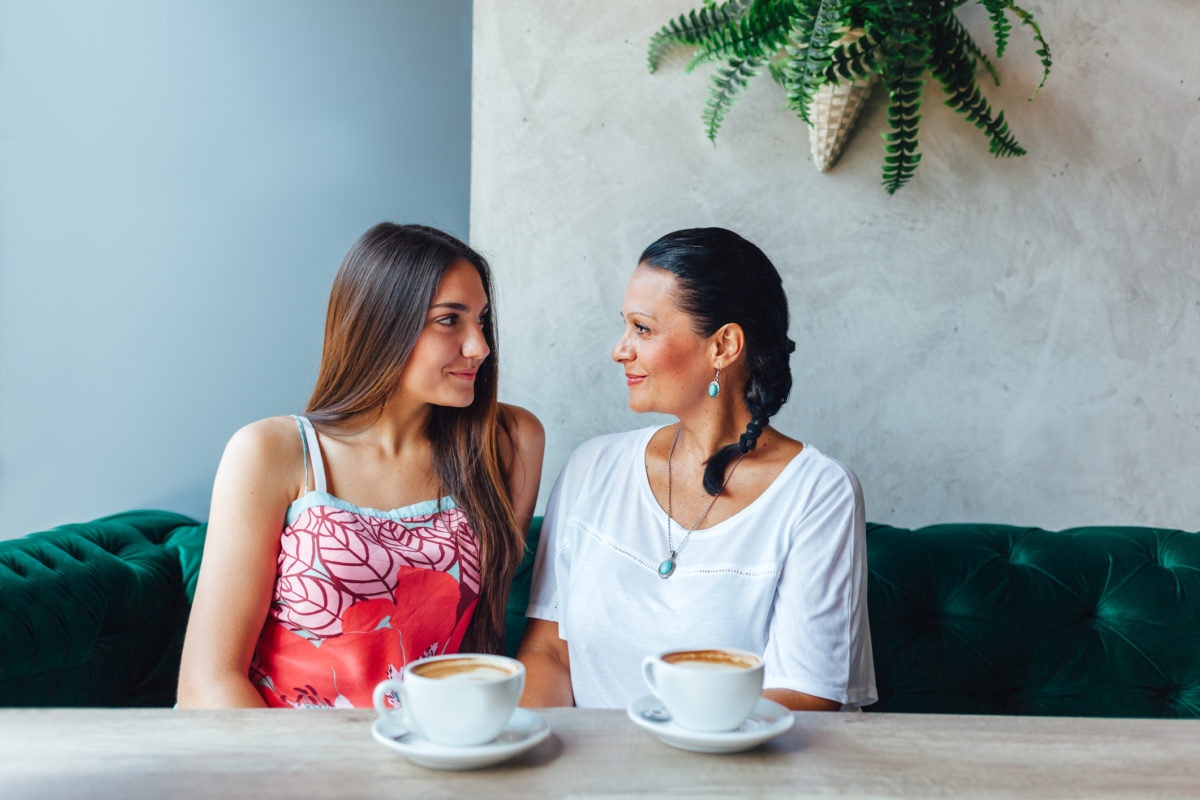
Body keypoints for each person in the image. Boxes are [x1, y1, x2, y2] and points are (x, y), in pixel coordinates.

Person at [177, 223, 544, 708]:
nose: (480, 347)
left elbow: (478, 644)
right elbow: (209, 681)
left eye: (482, 320)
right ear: (382, 323)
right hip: (272, 755)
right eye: (449, 321)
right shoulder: (272, 451)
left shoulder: (508, 443)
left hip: (425, 749)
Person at [517, 227, 875, 711]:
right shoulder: (592, 467)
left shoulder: (818, 491)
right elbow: (549, 653)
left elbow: (806, 697)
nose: (620, 349)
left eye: (642, 329)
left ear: (724, 345)